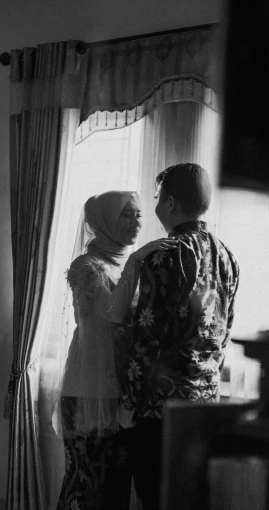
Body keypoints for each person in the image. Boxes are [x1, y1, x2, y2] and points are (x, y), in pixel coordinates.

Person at [120, 164, 240, 510]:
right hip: (205, 402)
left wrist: (129, 400)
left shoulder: (165, 254)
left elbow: (147, 332)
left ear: (170, 204)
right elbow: (226, 329)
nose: (156, 205)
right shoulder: (226, 255)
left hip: (161, 407)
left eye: (157, 198)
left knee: (154, 494)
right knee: (188, 498)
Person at [55, 191, 177, 510]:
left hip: (121, 392)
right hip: (87, 390)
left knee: (116, 487)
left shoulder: (129, 263)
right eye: (126, 214)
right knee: (86, 484)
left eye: (138, 214)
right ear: (104, 221)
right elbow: (111, 316)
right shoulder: (87, 266)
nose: (136, 221)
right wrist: (136, 263)